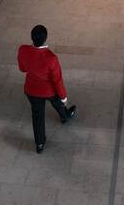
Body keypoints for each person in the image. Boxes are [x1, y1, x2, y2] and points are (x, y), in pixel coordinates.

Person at [17, 24, 77, 153]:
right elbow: (57, 80)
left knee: (37, 116)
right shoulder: (51, 58)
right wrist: (64, 97)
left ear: (32, 37)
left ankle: (39, 144)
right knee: (58, 102)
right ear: (45, 38)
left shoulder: (23, 50)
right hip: (49, 91)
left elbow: (22, 69)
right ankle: (65, 116)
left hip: (31, 90)